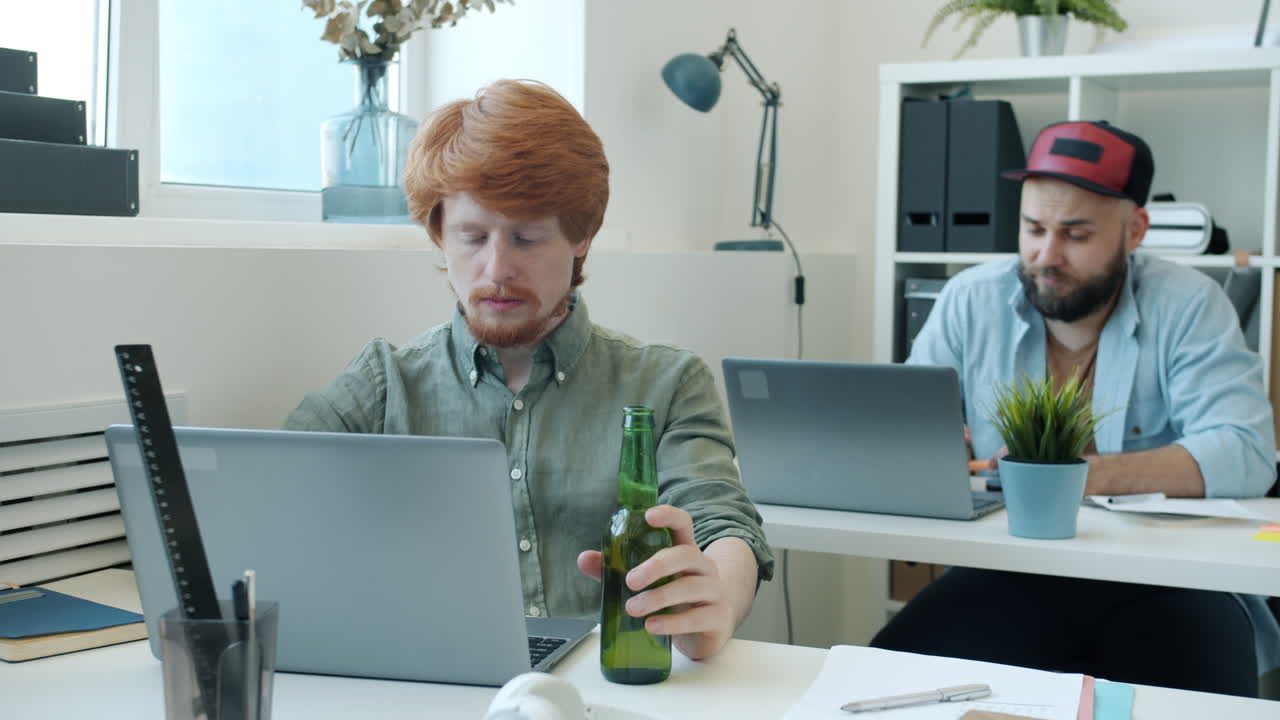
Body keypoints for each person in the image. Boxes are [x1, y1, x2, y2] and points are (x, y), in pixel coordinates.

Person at [283, 79, 773, 661]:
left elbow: (722, 520)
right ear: (439, 236)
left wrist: (717, 591)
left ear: (581, 237)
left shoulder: (667, 385)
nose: (496, 268)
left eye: (526, 237)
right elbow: (267, 489)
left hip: (604, 692)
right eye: (471, 236)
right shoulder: (385, 381)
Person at [872, 120, 1278, 697]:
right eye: (1033, 228)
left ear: (1135, 230)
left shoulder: (1190, 305)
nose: (1046, 255)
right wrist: (930, 451)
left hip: (1167, 581)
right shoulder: (970, 298)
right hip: (1008, 574)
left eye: (1076, 235)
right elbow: (903, 426)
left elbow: (1245, 450)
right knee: (880, 682)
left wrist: (1070, 476)